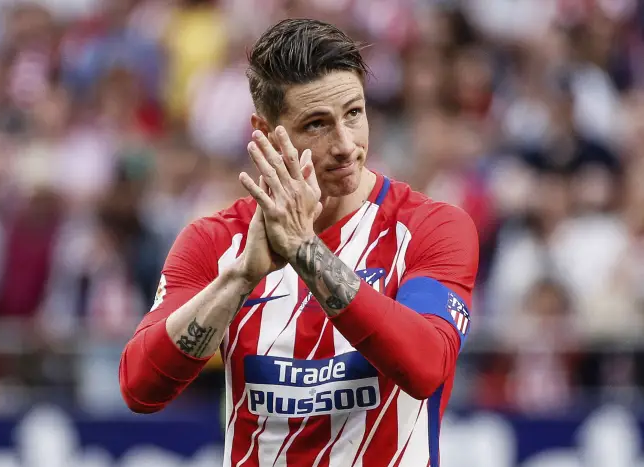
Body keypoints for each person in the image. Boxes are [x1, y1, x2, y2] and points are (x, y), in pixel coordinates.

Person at [119, 18, 479, 467]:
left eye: (354, 113)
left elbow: (426, 367)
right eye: (317, 124)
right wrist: (238, 280)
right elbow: (140, 387)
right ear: (266, 131)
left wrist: (306, 252)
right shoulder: (216, 241)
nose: (346, 145)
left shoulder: (431, 227)